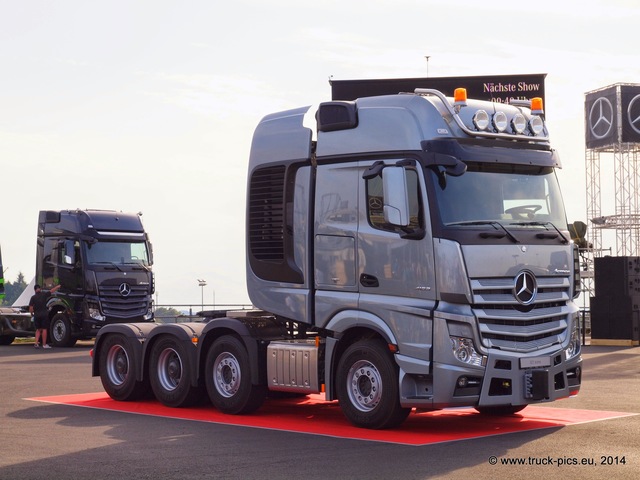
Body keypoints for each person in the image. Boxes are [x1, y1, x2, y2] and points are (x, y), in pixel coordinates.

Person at [29, 283, 61, 349]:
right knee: (44, 329)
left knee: (38, 329)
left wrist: (32, 314)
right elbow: (51, 291)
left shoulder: (33, 297)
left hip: (37, 315)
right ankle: (44, 344)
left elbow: (31, 308)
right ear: (40, 289)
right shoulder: (44, 294)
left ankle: (36, 343)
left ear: (34, 290)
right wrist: (57, 287)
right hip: (44, 315)